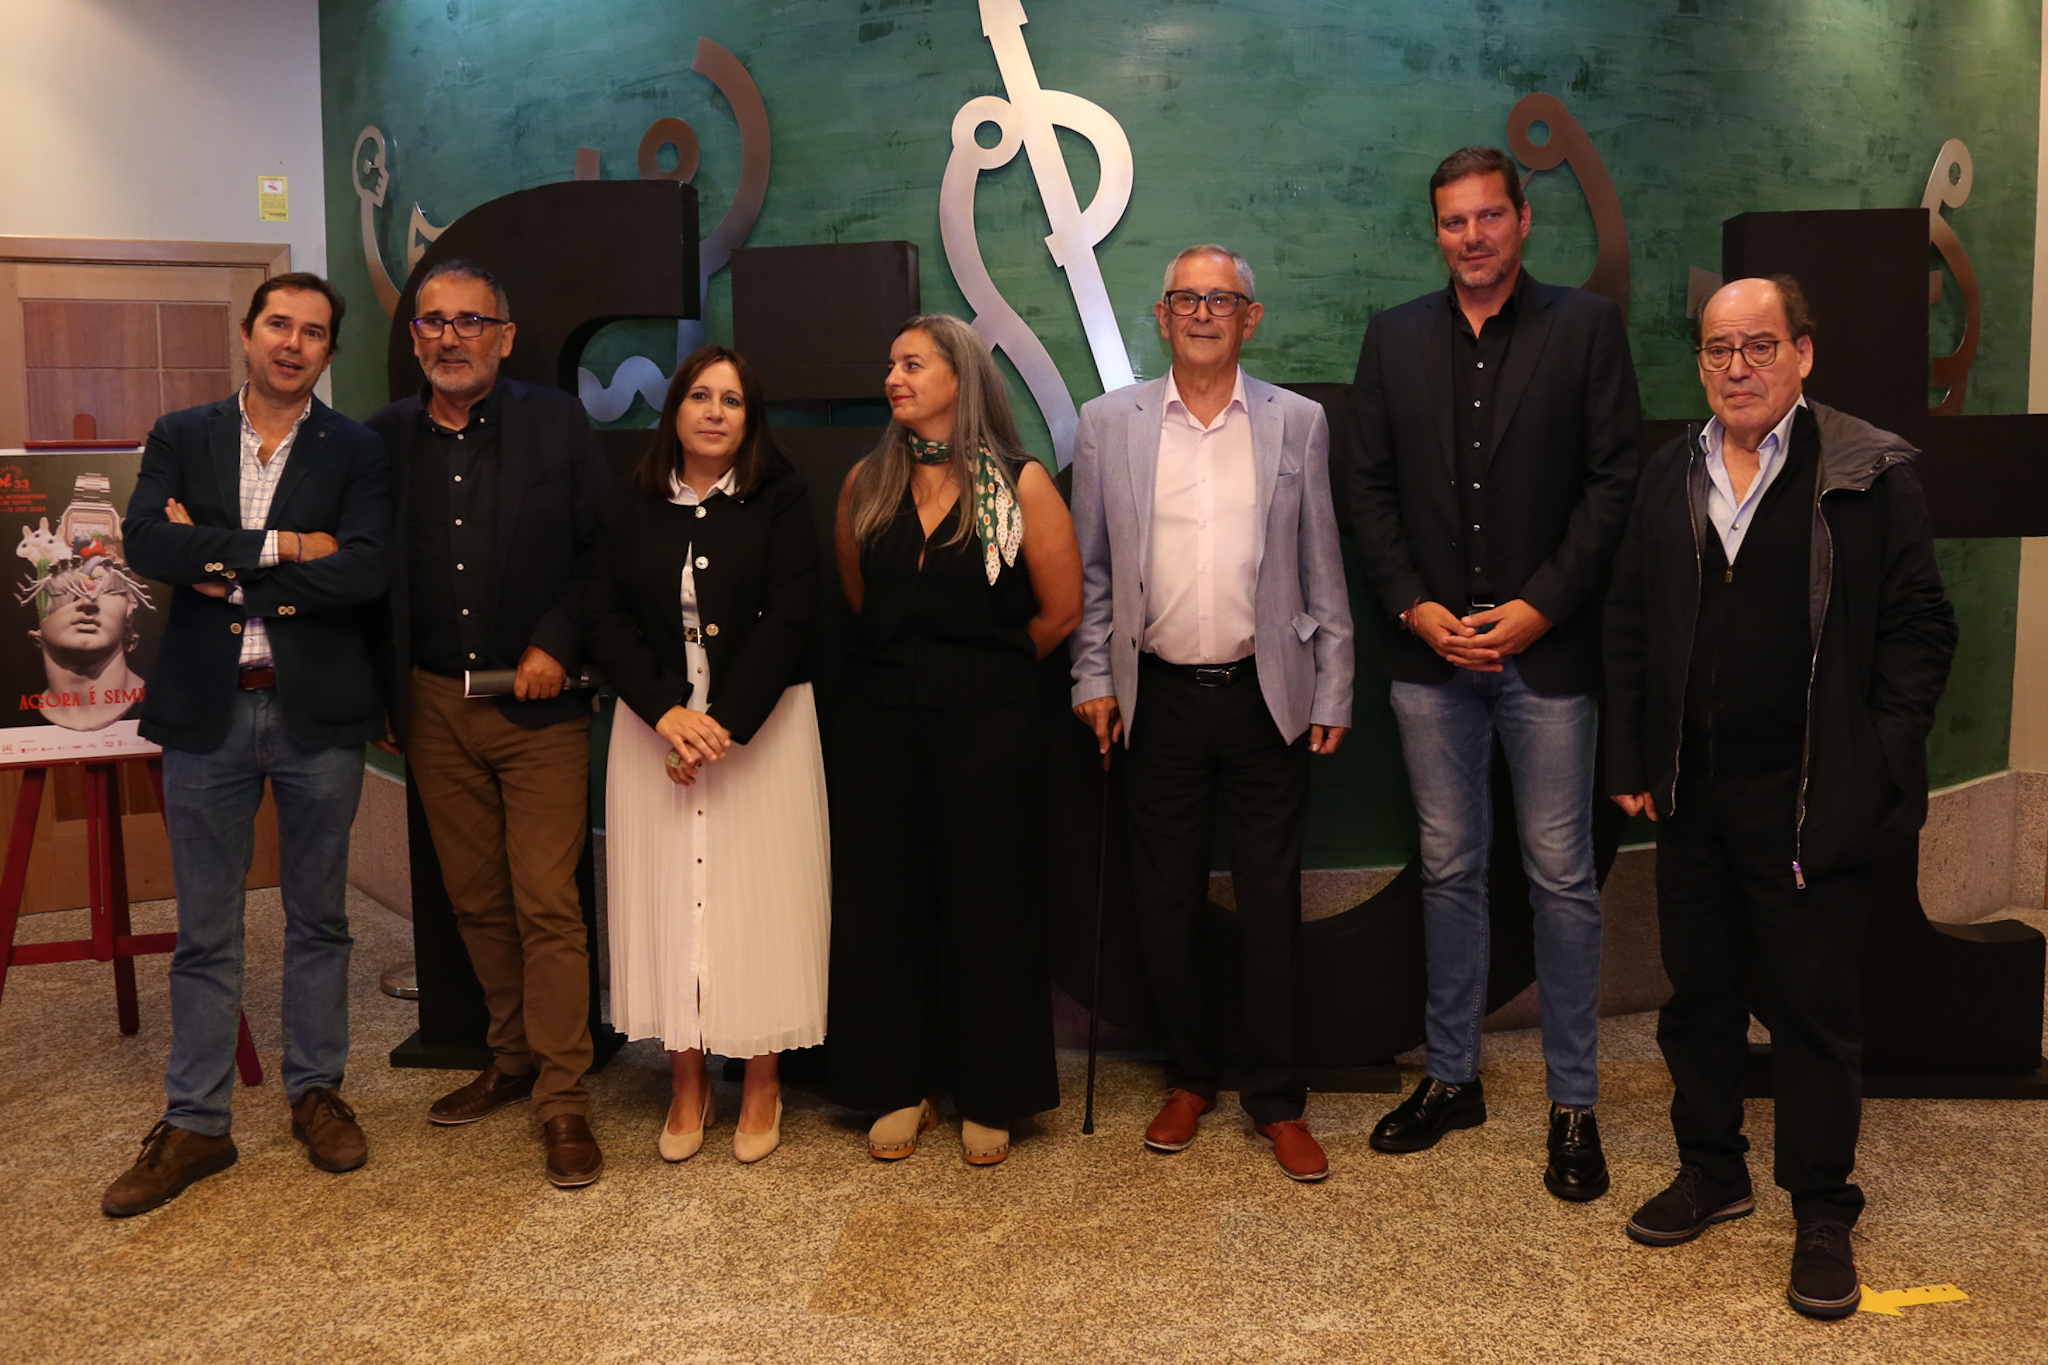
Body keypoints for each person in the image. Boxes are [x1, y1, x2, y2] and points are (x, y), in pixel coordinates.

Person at [1605, 275, 1956, 1318]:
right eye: (1718, 349)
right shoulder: (1671, 471)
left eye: (1758, 345)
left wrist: (1874, 758)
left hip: (1809, 795)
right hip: (1693, 794)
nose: (1737, 367)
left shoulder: (1864, 473)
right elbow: (1628, 619)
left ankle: (1821, 1208)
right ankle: (1711, 1170)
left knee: (1810, 1010)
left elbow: (1920, 631)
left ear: (1802, 354)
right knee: (1699, 996)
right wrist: (1630, 756)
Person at [1349, 146, 1640, 1199]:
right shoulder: (1393, 339)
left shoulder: (1584, 329)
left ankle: (1574, 1103)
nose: (1470, 237)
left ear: (1522, 221)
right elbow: (1367, 489)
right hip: (1429, 658)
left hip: (1544, 654)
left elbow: (1613, 482)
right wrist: (1415, 608)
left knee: (1559, 876)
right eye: (1451, 221)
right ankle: (1452, 1078)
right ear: (1435, 232)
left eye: (1487, 217)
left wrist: (1538, 607)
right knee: (1448, 870)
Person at [102, 272, 391, 1216]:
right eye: (278, 324)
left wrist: (220, 561)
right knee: (207, 928)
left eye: (313, 332)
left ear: (329, 351)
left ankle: (317, 1093)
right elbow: (148, 543)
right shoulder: (182, 434)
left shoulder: (357, 448)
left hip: (318, 714)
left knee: (320, 918)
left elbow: (366, 570)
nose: (292, 343)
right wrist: (288, 546)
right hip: (207, 712)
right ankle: (196, 1122)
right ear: (247, 333)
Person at [1070, 244, 1354, 1182]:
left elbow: (1322, 563)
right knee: (1164, 903)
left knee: (1272, 903)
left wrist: (1334, 685)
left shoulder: (1297, 422)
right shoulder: (1106, 425)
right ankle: (1190, 1077)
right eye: (1186, 299)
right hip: (1154, 699)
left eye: (1220, 299)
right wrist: (1092, 678)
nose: (1202, 313)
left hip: (1266, 696)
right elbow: (1094, 572)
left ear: (1249, 317)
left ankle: (1276, 1098)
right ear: (1161, 316)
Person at [366, 259, 611, 1188]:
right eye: (433, 322)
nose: (450, 337)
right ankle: (511, 1057)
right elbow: (365, 573)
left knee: (547, 901)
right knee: (475, 899)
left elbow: (600, 550)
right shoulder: (382, 438)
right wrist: (384, 692)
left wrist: (557, 640)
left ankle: (563, 1096)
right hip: (432, 704)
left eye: (470, 321)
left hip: (538, 703)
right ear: (415, 339)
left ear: (504, 338)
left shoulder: (556, 422)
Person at [829, 312, 1081, 1166]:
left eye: (912, 363)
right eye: (890, 364)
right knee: (885, 905)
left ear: (960, 376)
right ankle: (898, 1087)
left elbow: (1061, 612)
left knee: (991, 905)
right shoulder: (867, 482)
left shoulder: (1020, 483)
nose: (893, 377)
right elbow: (861, 598)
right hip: (880, 725)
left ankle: (992, 1092)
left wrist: (981, 672)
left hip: (991, 725)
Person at [575, 344, 827, 1165]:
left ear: (751, 419)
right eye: (700, 396)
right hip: (654, 731)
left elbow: (793, 613)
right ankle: (685, 1079)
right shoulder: (630, 501)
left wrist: (720, 726)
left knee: (761, 898)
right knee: (667, 898)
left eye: (733, 400)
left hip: (762, 729)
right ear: (675, 409)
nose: (715, 412)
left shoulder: (781, 496)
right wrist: (666, 715)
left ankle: (761, 1078)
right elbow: (603, 615)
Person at [16, 523, 154, 730]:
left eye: (107, 588)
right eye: (63, 589)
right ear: (37, 634)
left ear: (130, 610)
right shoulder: (10, 719)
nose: (87, 601)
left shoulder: (169, 706)